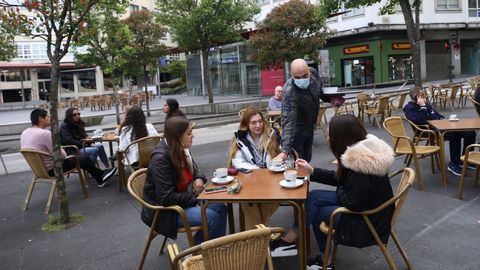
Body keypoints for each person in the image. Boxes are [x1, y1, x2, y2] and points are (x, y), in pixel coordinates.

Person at [270, 115, 395, 270]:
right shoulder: (365, 149)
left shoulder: (359, 162)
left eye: (331, 134)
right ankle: (295, 244)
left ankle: (299, 247)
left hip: (368, 223)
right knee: (315, 198)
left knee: (317, 210)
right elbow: (344, 180)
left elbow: (354, 202)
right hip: (376, 212)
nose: (328, 138)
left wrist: (342, 188)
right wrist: (312, 171)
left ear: (341, 136)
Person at [141, 116, 227, 244]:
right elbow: (166, 198)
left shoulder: (181, 150)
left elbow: (196, 169)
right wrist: (195, 199)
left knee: (221, 206)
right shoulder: (161, 159)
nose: (193, 136)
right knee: (212, 218)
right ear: (178, 137)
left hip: (183, 202)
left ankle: (213, 249)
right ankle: (199, 255)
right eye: (189, 133)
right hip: (166, 212)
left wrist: (199, 178)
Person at [20, 109, 116, 187]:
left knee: (82, 157)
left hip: (38, 170)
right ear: (41, 119)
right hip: (54, 169)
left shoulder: (25, 132)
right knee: (84, 158)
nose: (49, 118)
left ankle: (101, 174)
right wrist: (66, 154)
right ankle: (100, 178)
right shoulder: (45, 133)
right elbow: (61, 155)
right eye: (47, 116)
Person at [227, 107, 280, 229]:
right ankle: (263, 238)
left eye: (260, 121)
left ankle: (254, 243)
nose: (258, 125)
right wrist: (258, 170)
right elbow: (237, 162)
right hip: (249, 183)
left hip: (271, 184)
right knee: (249, 203)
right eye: (253, 122)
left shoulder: (272, 135)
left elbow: (279, 158)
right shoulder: (240, 138)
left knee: (266, 203)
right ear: (246, 124)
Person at [404, 86, 476, 176]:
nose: (425, 96)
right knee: (454, 134)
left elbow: (435, 114)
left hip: (442, 126)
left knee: (470, 132)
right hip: (428, 131)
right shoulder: (409, 108)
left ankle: (466, 159)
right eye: (422, 95)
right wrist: (423, 107)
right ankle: (454, 163)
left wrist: (444, 119)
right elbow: (421, 120)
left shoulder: (425, 103)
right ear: (416, 97)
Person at [275, 59, 329, 163]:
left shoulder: (313, 73)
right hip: (297, 132)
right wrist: (285, 150)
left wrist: (332, 98)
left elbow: (319, 91)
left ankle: (306, 177)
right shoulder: (290, 92)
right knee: (298, 162)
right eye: (297, 77)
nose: (302, 79)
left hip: (310, 126)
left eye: (305, 76)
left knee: (307, 159)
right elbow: (288, 121)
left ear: (309, 71)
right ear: (292, 74)